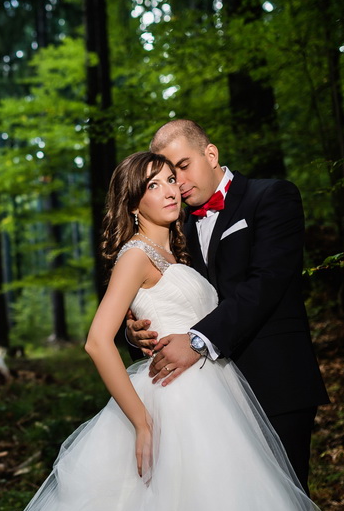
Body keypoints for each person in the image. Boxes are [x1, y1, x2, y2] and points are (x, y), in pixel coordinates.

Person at [0, 152, 344, 511]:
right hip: (175, 399)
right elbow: (96, 341)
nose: (170, 189)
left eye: (171, 179)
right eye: (153, 185)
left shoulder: (179, 250)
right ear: (133, 202)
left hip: (219, 392)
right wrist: (142, 421)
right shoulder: (134, 255)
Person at [128, 119, 329, 491]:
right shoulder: (179, 229)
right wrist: (137, 330)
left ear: (211, 153)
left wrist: (196, 340)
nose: (179, 183)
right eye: (170, 175)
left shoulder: (272, 196)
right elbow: (172, 298)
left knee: (282, 503)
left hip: (275, 380)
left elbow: (266, 283)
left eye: (184, 166)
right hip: (210, 397)